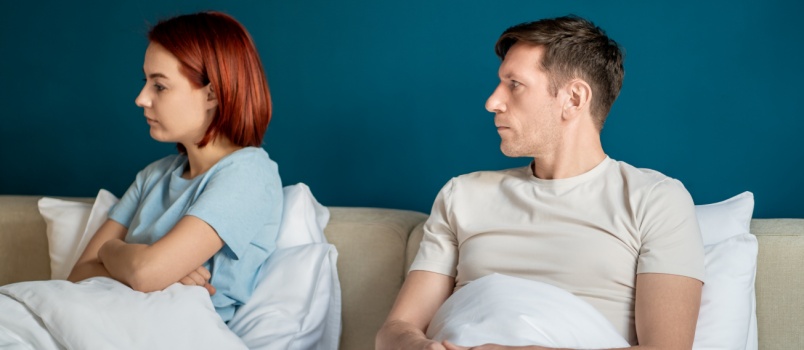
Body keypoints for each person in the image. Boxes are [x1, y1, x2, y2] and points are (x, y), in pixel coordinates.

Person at [376, 15, 705, 349]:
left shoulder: (655, 199)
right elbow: (395, 330)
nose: (492, 102)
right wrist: (422, 347)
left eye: (514, 84)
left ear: (574, 99)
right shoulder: (462, 194)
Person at [67, 11, 282, 323]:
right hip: (108, 316)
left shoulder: (248, 174)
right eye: (146, 81)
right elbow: (78, 275)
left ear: (212, 94)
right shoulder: (154, 175)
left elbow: (145, 273)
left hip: (175, 329)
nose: (141, 98)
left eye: (160, 86)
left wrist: (110, 252)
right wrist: (149, 266)